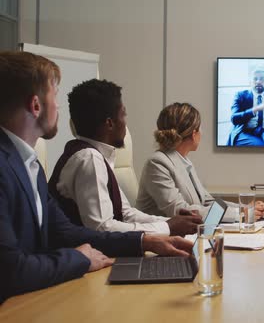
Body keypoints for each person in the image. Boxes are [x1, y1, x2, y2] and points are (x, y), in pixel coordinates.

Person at [0, 51, 194, 303]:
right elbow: (10, 270)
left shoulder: (29, 164)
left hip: (34, 297)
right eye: (54, 96)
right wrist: (79, 259)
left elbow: (68, 233)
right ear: (36, 105)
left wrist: (146, 241)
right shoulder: (6, 167)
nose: (58, 107)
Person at [48, 79, 202, 236]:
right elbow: (102, 228)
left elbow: (125, 213)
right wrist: (168, 227)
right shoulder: (89, 158)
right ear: (110, 124)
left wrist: (169, 223)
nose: (125, 124)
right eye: (123, 115)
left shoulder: (92, 155)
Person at [137, 102, 264, 221]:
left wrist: (243, 208)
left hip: (186, 235)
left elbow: (206, 201)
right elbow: (180, 211)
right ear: (194, 134)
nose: (202, 132)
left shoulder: (184, 160)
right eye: (200, 128)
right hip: (163, 241)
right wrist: (239, 214)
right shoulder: (157, 163)